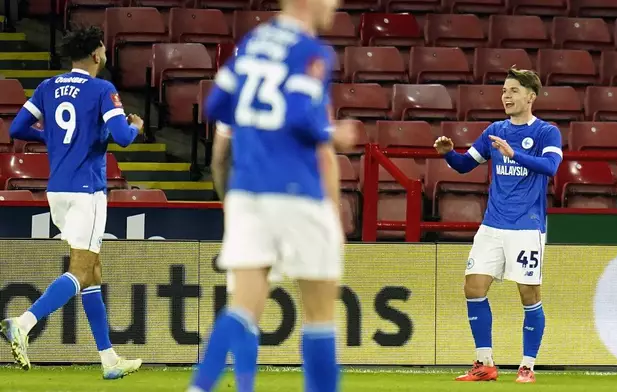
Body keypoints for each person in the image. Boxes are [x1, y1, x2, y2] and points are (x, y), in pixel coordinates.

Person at [185, 0, 357, 390]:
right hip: (296, 190)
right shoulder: (312, 52)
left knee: (242, 307)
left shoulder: (253, 41)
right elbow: (301, 117)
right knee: (319, 314)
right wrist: (334, 134)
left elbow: (216, 104)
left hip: (246, 191)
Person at [2, 26, 144, 379]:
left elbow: (17, 128)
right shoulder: (101, 89)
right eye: (104, 50)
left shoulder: (49, 87)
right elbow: (124, 138)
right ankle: (23, 321)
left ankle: (109, 359)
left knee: (92, 270)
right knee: (81, 269)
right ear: (96, 54)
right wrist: (136, 126)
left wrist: (51, 138)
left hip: (57, 190)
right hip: (87, 190)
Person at [434, 68, 562, 384]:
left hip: (527, 227)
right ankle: (485, 362)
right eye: (504, 90)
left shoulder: (547, 132)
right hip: (492, 225)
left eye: (514, 90)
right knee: (473, 287)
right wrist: (449, 153)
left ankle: (527, 366)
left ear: (531, 97)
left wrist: (513, 153)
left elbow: (550, 167)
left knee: (529, 294)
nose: (506, 95)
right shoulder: (494, 130)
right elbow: (465, 165)